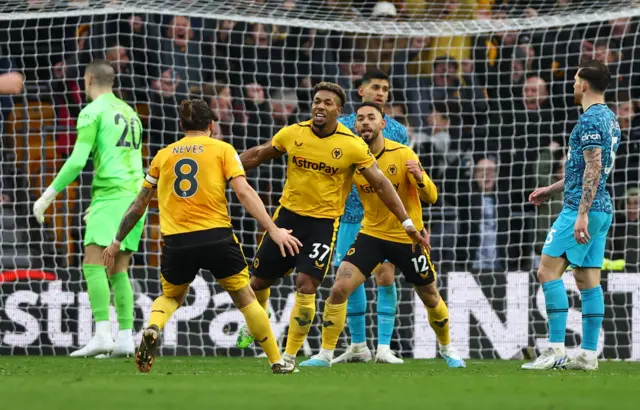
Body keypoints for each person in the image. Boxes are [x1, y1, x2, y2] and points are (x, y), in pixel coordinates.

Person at [236, 82, 428, 369]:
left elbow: (382, 184)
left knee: (306, 285)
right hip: (286, 218)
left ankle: (288, 357)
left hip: (323, 225)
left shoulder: (351, 145)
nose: (320, 106)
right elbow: (259, 154)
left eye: (327, 103)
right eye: (316, 101)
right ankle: (255, 321)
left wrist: (407, 222)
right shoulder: (293, 133)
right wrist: (225, 167)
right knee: (258, 282)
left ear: (339, 110)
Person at [103, 99, 302, 374]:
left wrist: (116, 242)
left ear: (181, 125)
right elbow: (243, 192)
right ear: (211, 125)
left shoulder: (164, 155)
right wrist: (272, 228)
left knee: (171, 297)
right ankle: (277, 361)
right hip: (217, 237)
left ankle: (153, 327)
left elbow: (139, 204)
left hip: (177, 241)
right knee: (245, 298)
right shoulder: (223, 149)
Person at [298, 102, 465, 368]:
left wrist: (420, 177)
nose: (365, 122)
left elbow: (431, 196)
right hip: (371, 235)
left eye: (371, 118)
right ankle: (325, 354)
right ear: (355, 126)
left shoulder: (403, 153)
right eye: (361, 118)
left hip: (406, 238)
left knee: (430, 295)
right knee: (340, 287)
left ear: (382, 124)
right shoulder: (353, 159)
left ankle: (447, 348)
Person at [33, 60, 144, 358]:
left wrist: (47, 196)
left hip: (112, 195)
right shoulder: (131, 113)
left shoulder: (92, 111)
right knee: (119, 268)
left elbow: (77, 161)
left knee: (93, 264)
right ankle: (124, 337)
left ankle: (102, 334)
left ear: (89, 79)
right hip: (136, 198)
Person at [523, 60, 620, 371]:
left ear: (584, 85)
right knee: (587, 279)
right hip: (602, 208)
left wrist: (580, 215)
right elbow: (584, 170)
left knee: (547, 271)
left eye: (576, 79)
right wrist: (550, 189)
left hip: (583, 209)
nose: (573, 85)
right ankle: (589, 354)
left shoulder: (589, 121)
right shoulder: (610, 119)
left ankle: (554, 350)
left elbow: (593, 169)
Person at [331, 69, 410, 364]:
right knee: (349, 279)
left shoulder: (398, 130)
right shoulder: (339, 127)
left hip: (383, 218)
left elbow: (403, 171)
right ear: (360, 91)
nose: (381, 93)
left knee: (385, 275)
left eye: (385, 89)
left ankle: (385, 347)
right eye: (375, 87)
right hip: (348, 215)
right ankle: (358, 346)